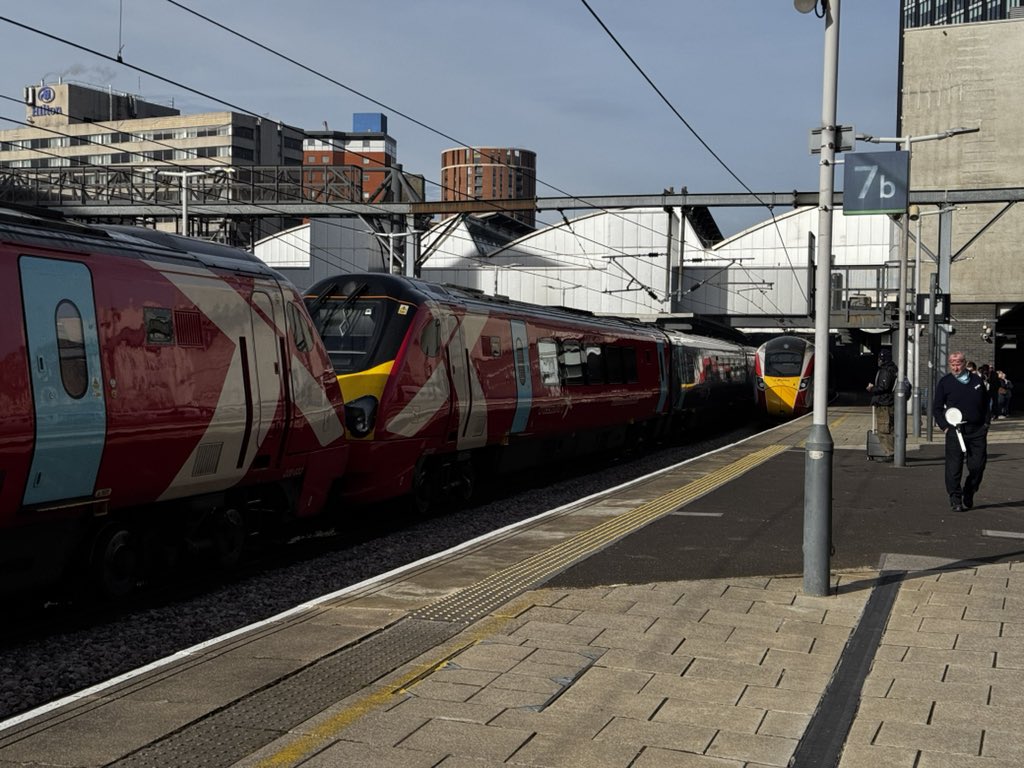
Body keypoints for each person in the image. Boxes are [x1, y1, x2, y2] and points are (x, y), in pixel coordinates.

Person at [933, 351, 990, 512]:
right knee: (953, 467)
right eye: (952, 364)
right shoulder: (945, 383)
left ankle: (970, 490)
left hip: (977, 430)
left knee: (977, 466)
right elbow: (937, 408)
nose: (955, 367)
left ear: (965, 363)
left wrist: (986, 424)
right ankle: (955, 498)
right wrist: (944, 426)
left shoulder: (977, 381)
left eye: (958, 363)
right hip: (955, 430)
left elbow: (986, 404)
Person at [866, 348, 898, 458]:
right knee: (890, 428)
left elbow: (883, 387)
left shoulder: (886, 370)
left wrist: (872, 388)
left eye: (880, 358)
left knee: (884, 430)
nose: (878, 360)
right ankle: (893, 452)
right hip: (889, 403)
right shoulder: (893, 369)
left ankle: (890, 453)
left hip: (884, 403)